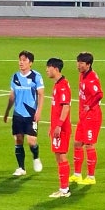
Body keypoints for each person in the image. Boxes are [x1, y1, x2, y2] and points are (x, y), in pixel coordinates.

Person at [2, 51, 44, 177]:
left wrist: (39, 111)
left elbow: (41, 94)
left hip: (31, 115)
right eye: (20, 60)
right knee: (18, 139)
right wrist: (7, 112)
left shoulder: (36, 76)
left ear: (30, 63)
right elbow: (12, 96)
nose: (21, 62)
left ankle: (36, 157)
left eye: (24, 60)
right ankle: (21, 168)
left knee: (31, 141)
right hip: (18, 114)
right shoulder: (15, 77)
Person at [70, 53, 103, 186]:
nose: (78, 65)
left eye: (81, 63)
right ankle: (77, 174)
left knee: (89, 144)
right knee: (77, 143)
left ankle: (91, 176)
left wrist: (89, 105)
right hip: (83, 117)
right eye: (78, 62)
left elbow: (99, 94)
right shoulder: (82, 75)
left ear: (88, 65)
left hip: (92, 116)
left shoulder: (91, 79)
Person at [46, 58, 72, 198]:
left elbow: (66, 107)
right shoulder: (58, 84)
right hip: (57, 127)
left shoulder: (62, 86)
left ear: (55, 68)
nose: (46, 70)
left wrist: (59, 126)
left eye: (48, 67)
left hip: (61, 128)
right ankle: (63, 188)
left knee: (62, 157)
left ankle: (64, 189)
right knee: (58, 157)